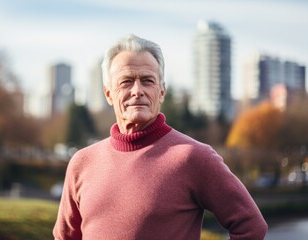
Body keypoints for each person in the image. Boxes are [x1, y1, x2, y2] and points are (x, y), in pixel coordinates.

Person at [53, 34, 268, 240]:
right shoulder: (81, 163)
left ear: (161, 92)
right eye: (126, 81)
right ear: (109, 93)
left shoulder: (192, 157)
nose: (137, 90)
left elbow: (251, 226)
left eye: (147, 81)